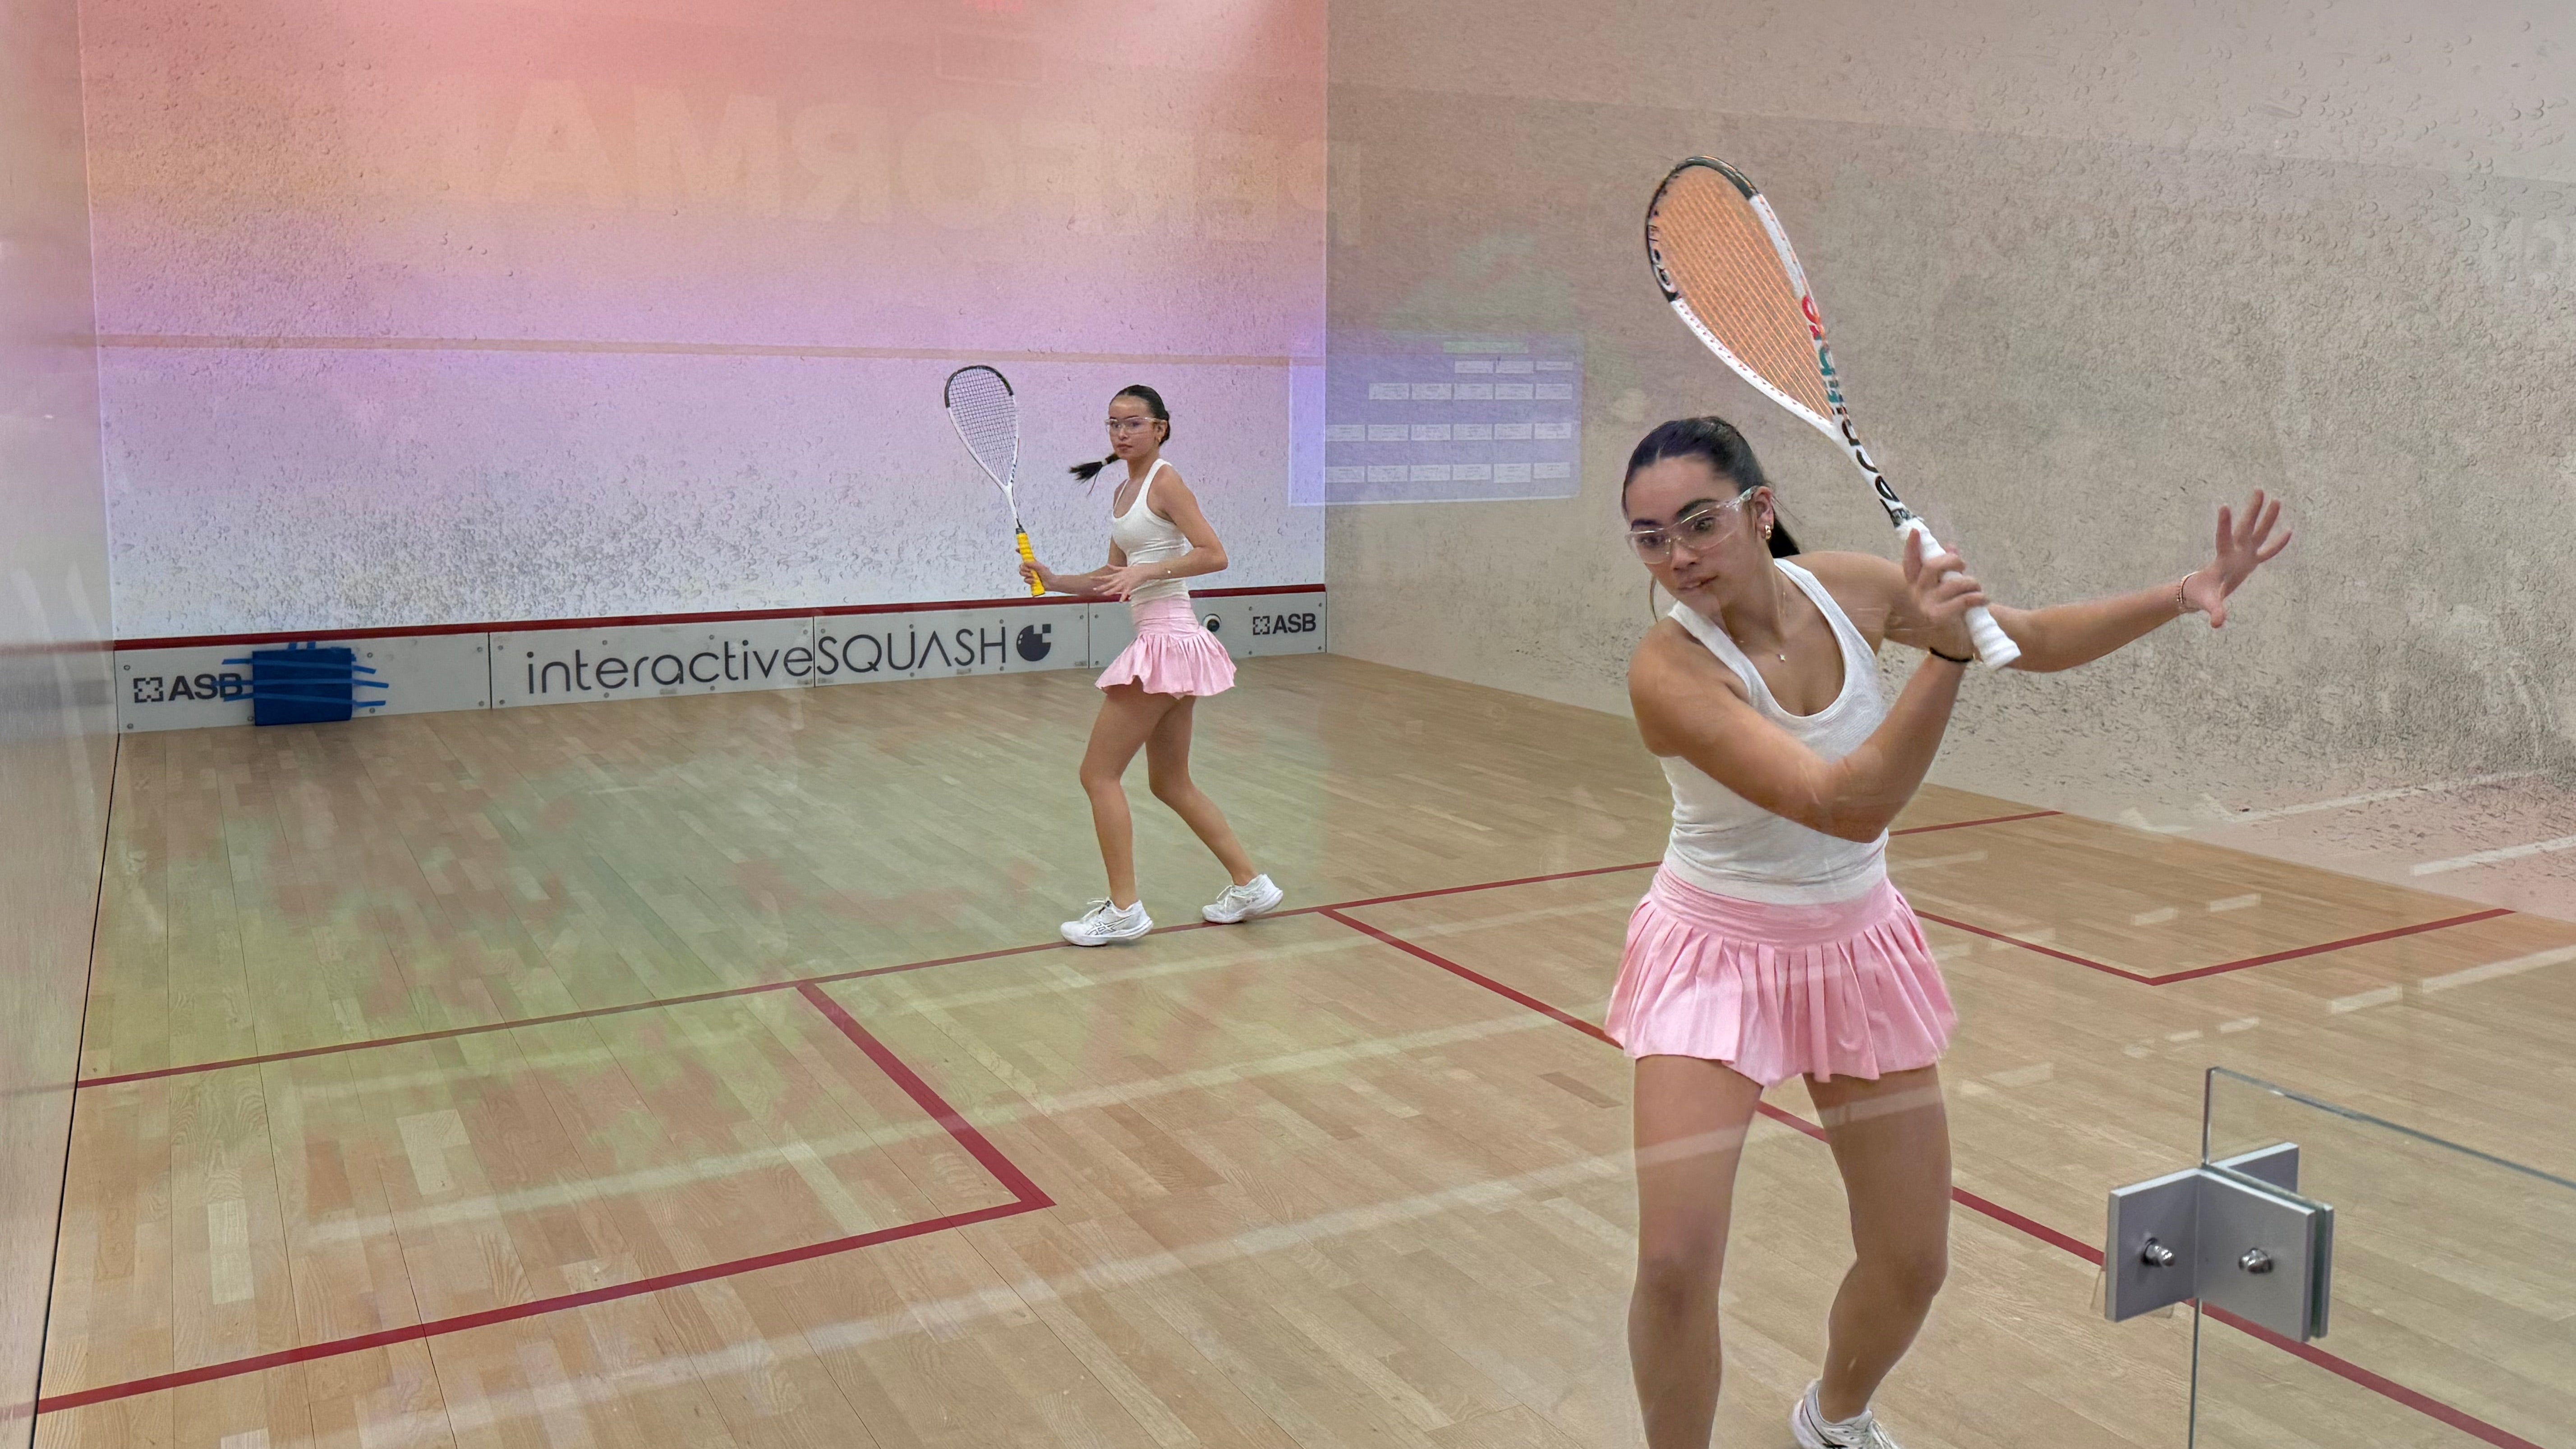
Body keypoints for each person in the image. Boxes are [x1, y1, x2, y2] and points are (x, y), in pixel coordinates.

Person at [1611, 416, 2289, 1449]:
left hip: (1854, 946)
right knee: (1673, 1263)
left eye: (1697, 523)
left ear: (1759, 510)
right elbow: (1845, 805)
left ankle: (1832, 1417)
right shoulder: (1668, 670)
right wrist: (1941, 653)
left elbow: (2033, 639)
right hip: (1717, 956)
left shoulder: (1847, 586)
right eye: (1650, 538)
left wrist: (2180, 592)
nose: (1678, 558)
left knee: (1912, 1258)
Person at [1020, 384, 1283, 945]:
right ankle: (1250, 883)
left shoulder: (1167, 481)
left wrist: (1146, 573)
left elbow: (1214, 554)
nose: (1121, 432)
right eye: (1113, 423)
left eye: (1134, 423)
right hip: (1172, 645)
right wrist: (1054, 580)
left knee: (1098, 774)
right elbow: (1109, 578)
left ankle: (1124, 910)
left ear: (1160, 428)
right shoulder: (1124, 493)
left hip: (1167, 642)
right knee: (1170, 782)